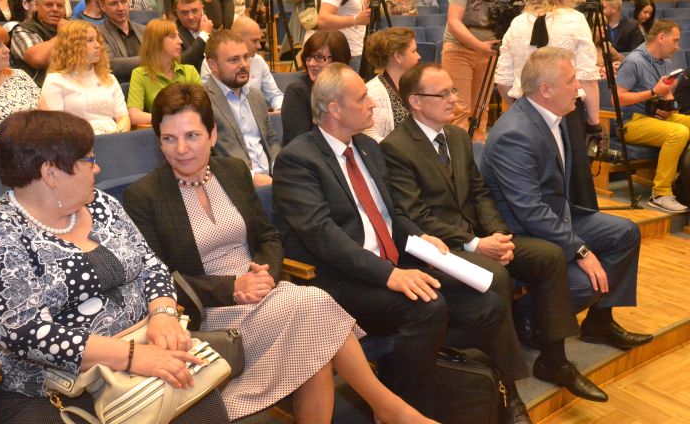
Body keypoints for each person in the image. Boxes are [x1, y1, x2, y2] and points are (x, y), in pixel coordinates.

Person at [122, 82, 438, 424]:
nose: (181, 149)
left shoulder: (232, 171)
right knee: (313, 311)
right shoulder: (146, 195)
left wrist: (265, 275)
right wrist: (232, 288)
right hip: (212, 312)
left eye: (192, 136)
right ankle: (388, 407)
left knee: (311, 323)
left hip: (265, 294)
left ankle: (388, 409)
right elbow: (161, 278)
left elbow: (268, 237)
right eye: (169, 139)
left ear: (212, 135)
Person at [0, 109, 231, 424]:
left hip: (145, 347)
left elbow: (151, 264)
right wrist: (132, 356)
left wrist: (163, 314)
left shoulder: (101, 204)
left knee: (202, 407)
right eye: (89, 160)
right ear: (51, 173)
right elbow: (25, 333)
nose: (98, 168)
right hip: (57, 389)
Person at [384, 62, 608, 406]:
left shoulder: (457, 137)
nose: (453, 98)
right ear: (415, 101)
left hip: (480, 238)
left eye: (452, 90)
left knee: (548, 256)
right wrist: (475, 243)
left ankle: (555, 358)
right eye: (443, 94)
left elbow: (480, 193)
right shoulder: (396, 147)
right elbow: (416, 217)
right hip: (440, 249)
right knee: (496, 275)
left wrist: (499, 235)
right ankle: (508, 391)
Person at [273, 63, 459, 420]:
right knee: (427, 307)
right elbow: (324, 237)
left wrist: (421, 237)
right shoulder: (298, 159)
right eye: (362, 98)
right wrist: (389, 275)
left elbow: (391, 215)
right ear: (335, 109)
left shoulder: (368, 147)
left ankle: (457, 388)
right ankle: (401, 410)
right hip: (340, 281)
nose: (372, 103)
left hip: (388, 261)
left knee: (474, 287)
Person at [482, 47, 654, 363]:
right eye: (571, 81)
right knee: (585, 282)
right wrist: (581, 250)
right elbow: (529, 210)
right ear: (545, 89)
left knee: (625, 233)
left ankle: (599, 324)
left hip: (556, 216)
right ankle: (522, 318)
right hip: (522, 232)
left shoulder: (555, 116)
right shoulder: (514, 134)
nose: (579, 87)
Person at [495, 0, 601, 210]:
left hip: (524, 113)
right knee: (573, 195)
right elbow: (587, 79)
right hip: (567, 116)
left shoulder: (516, 23)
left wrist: (518, 109)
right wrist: (594, 124)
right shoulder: (575, 20)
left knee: (531, 189)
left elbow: (503, 82)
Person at [442, 0, 518, 142]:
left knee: (481, 109)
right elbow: (453, 22)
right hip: (459, 48)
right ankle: (458, 154)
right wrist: (479, 46)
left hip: (489, 51)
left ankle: (477, 152)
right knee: (459, 109)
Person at [615, 20, 690, 213]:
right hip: (631, 121)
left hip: (655, 118)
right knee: (679, 132)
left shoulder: (665, 61)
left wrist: (670, 107)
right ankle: (660, 194)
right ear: (661, 37)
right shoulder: (634, 61)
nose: (677, 46)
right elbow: (618, 98)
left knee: (685, 124)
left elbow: (667, 94)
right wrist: (653, 92)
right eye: (675, 40)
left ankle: (682, 180)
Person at [203, 30, 280, 187]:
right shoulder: (202, 102)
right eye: (234, 60)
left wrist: (278, 167)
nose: (244, 65)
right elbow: (205, 158)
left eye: (246, 57)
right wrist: (252, 178)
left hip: (273, 180)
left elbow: (271, 140)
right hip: (235, 186)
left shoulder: (256, 97)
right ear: (213, 65)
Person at [40, 21, 129, 134]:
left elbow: (123, 118)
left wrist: (118, 136)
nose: (98, 45)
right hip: (78, 140)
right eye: (90, 40)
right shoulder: (55, 81)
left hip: (113, 137)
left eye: (97, 40)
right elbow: (56, 126)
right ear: (72, 46)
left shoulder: (109, 78)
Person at [280, 29, 350, 145]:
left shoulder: (349, 88)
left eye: (319, 57)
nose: (311, 63)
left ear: (338, 59)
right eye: (308, 57)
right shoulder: (297, 92)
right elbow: (299, 144)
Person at [127, 18, 201, 126]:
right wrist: (171, 119)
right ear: (156, 41)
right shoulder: (140, 74)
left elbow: (204, 107)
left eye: (178, 36)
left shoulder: (190, 71)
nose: (180, 41)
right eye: (173, 36)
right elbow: (134, 116)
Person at [363, 28, 418, 141]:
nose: (418, 56)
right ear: (398, 56)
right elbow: (370, 136)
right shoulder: (373, 92)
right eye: (413, 51)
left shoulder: (415, 84)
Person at [10, 0, 68, 86]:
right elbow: (37, 59)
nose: (55, 9)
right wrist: (62, 34)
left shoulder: (73, 27)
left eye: (60, 6)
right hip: (40, 88)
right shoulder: (23, 29)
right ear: (36, 6)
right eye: (49, 5)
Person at [97, 0, 146, 82]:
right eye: (113, 3)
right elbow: (110, 64)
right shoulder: (97, 33)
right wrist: (150, 60)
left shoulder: (144, 30)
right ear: (102, 6)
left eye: (124, 1)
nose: (120, 8)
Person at [174, 0, 214, 71]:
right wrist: (203, 36)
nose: (190, 17)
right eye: (184, 13)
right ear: (177, 13)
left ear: (202, 9)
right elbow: (181, 63)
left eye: (195, 11)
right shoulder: (174, 36)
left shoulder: (214, 31)